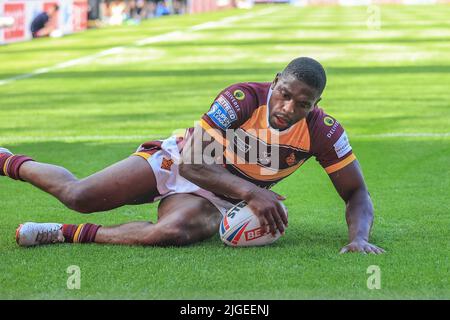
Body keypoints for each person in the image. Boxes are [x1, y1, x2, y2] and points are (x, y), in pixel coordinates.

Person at [1, 57, 385, 254]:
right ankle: (7, 161)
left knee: (170, 233)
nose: (287, 107)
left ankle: (61, 234)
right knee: (79, 196)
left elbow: (356, 193)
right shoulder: (242, 98)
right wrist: (253, 193)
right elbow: (192, 163)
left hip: (220, 194)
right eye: (284, 93)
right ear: (275, 83)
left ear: (316, 104)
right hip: (179, 162)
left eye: (302, 103)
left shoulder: (323, 131)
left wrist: (359, 238)